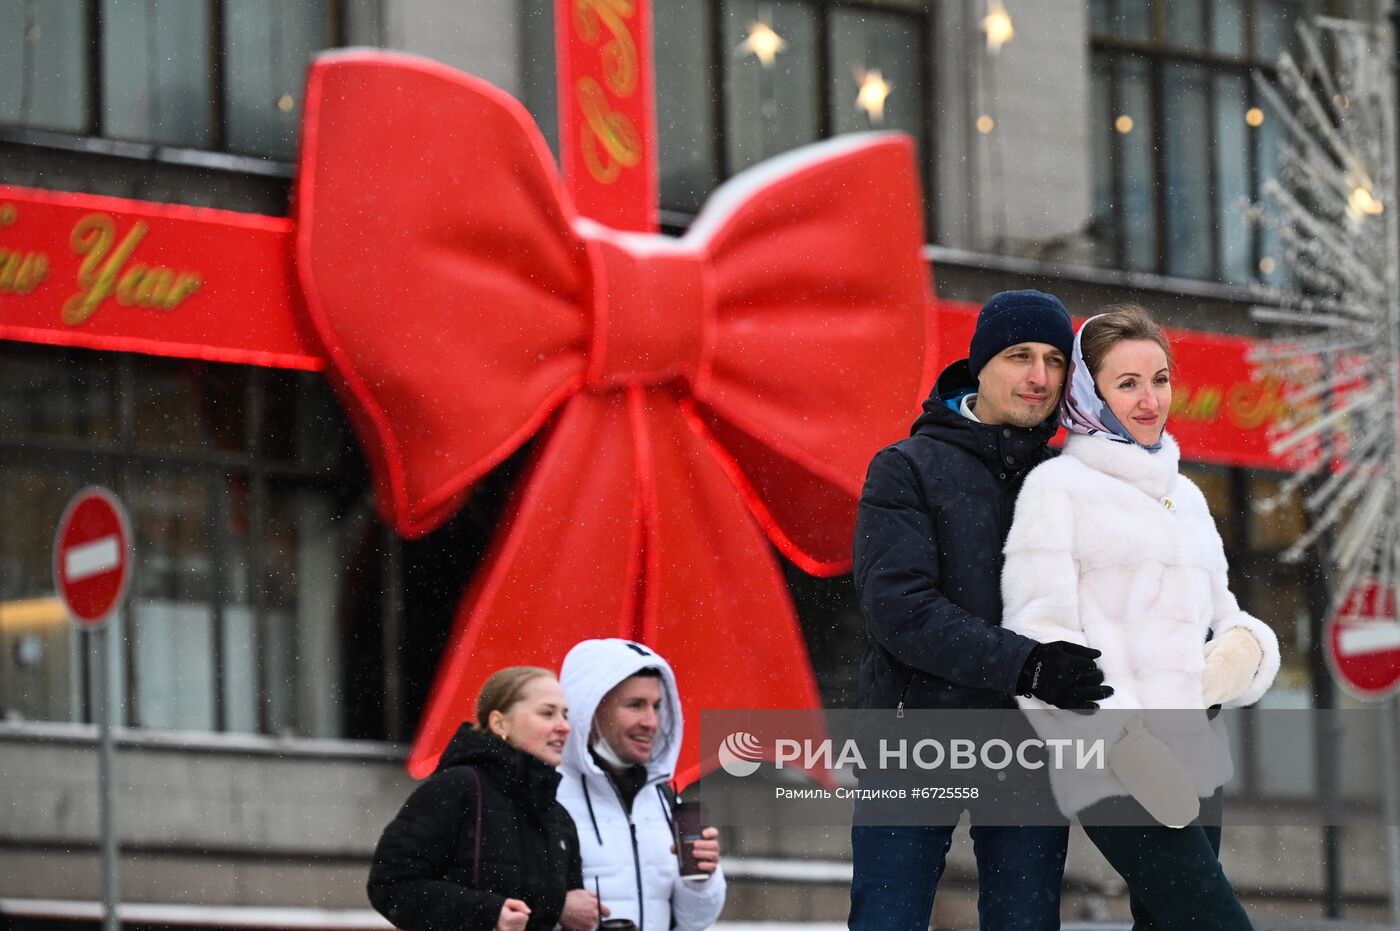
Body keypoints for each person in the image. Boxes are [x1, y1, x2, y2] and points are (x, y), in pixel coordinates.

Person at [1001, 304, 1281, 930]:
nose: (1150, 399)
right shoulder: (1058, 490)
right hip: (1113, 765)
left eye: (1159, 379)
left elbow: (1223, 614)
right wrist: (1123, 740)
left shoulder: (1185, 497)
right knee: (1217, 922)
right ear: (1087, 393)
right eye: (1127, 383)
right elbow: (1039, 640)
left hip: (1198, 755)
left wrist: (1241, 653)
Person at [850, 289, 1113, 931]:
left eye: (1054, 361)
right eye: (1020, 356)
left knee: (1025, 922)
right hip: (916, 739)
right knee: (890, 919)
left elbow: (1115, 601)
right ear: (980, 365)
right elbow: (902, 611)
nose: (1039, 377)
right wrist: (1026, 665)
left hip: (1029, 743)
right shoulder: (905, 468)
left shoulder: (1068, 480)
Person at [368, 667, 603, 931]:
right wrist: (489, 914)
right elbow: (390, 885)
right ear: (500, 723)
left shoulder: (556, 815)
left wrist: (560, 907)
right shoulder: (458, 787)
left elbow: (535, 904)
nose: (564, 727)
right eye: (547, 713)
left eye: (565, 715)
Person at [557, 639, 726, 931]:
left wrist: (701, 881)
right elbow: (505, 903)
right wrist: (556, 909)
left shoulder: (662, 796)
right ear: (589, 710)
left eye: (657, 706)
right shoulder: (543, 794)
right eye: (635, 705)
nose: (651, 722)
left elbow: (694, 922)